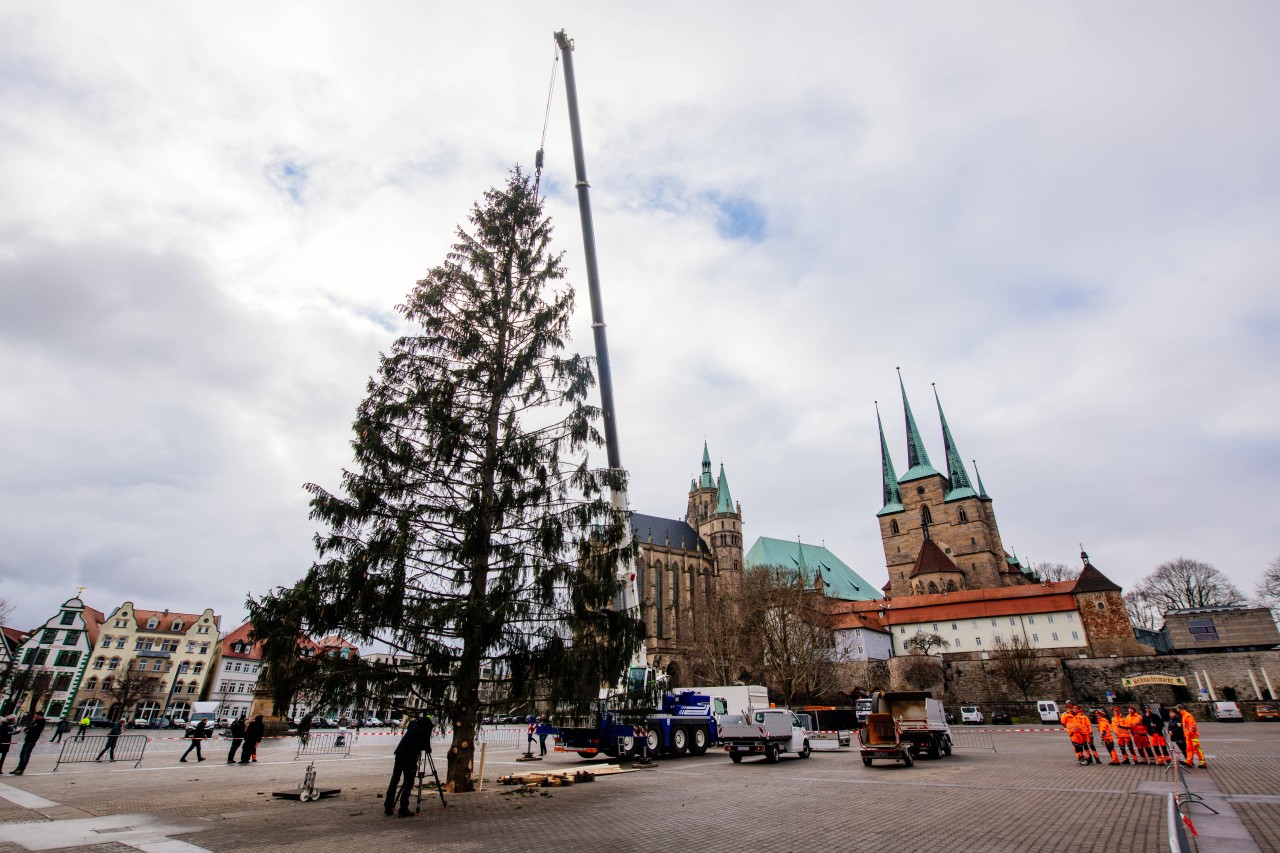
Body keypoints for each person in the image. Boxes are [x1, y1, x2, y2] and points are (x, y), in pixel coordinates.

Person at [384, 712, 433, 817]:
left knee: (395, 779)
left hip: (400, 753)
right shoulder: (426, 729)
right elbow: (427, 747)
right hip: (410, 756)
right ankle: (403, 808)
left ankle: (388, 806)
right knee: (408, 782)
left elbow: (410, 724)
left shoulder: (414, 724)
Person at [10, 711, 46, 775]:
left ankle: (21, 769)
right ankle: (18, 768)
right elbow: (31, 727)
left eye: (35, 715)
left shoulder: (41, 722)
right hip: (28, 739)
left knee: (26, 755)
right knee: (22, 755)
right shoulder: (35, 721)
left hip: (32, 740)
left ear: (39, 715)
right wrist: (28, 729)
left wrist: (29, 729)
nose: (34, 716)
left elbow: (35, 730)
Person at [1177, 705, 1208, 769]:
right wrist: (1182, 725)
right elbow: (1188, 725)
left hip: (1192, 736)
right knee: (1189, 749)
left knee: (1197, 749)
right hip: (1188, 736)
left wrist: (1192, 735)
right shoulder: (1184, 716)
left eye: (1177, 709)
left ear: (1179, 709)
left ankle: (1202, 762)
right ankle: (1189, 761)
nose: (1177, 711)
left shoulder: (1187, 715)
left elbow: (1192, 726)